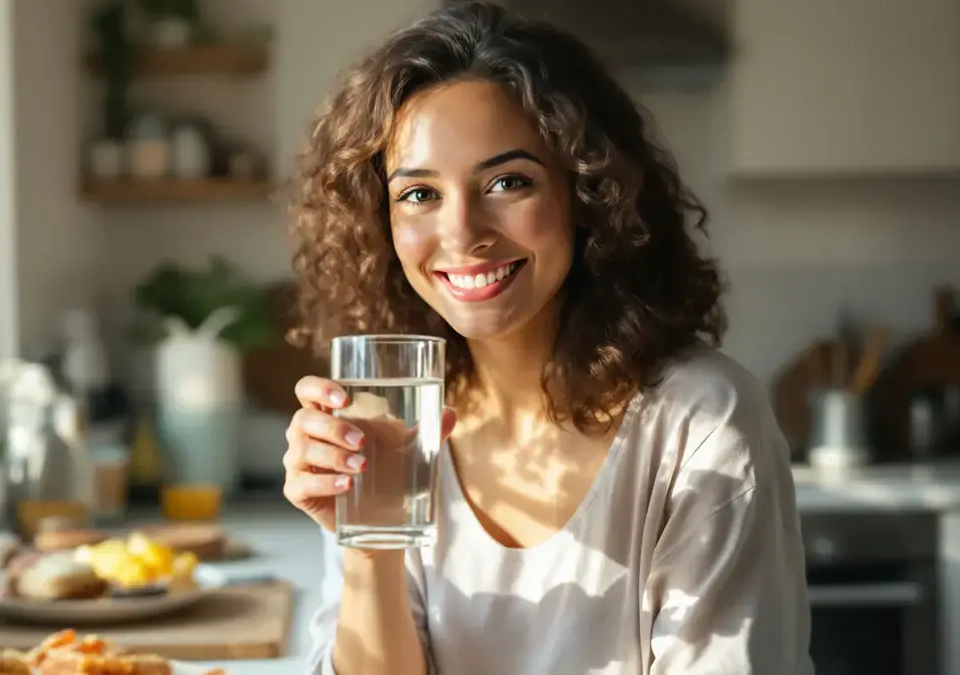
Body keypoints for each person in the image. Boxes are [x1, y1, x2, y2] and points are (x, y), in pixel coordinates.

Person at [281, 3, 813, 674]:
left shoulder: (700, 420)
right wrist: (369, 542)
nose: (462, 233)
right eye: (419, 194)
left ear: (587, 193)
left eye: (509, 182)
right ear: (380, 221)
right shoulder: (390, 426)